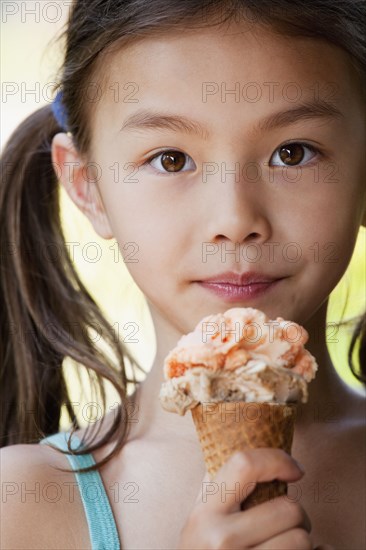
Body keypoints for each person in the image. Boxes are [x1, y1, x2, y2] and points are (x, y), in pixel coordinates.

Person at [1, 1, 365, 548]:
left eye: (293, 153)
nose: (235, 221)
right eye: (170, 159)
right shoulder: (25, 506)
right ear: (87, 187)